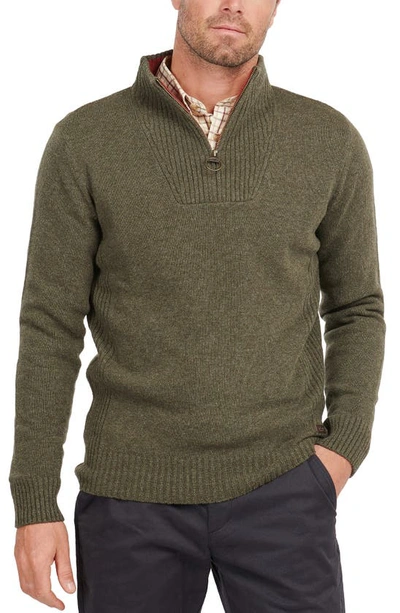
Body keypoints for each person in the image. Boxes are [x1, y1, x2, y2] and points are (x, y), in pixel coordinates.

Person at [9, 0, 386, 611]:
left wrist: (343, 449)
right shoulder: (85, 140)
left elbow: (357, 308)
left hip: (285, 487)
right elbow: (49, 325)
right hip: (129, 497)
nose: (234, 4)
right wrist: (33, 501)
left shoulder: (327, 139)